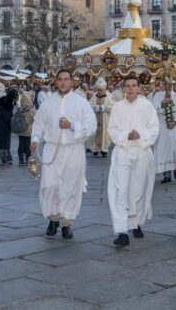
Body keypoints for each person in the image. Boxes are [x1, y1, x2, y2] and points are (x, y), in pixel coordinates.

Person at [30, 69, 96, 240]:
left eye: (66, 79)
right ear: (56, 81)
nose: (63, 83)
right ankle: (52, 219)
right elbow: (39, 124)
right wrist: (35, 139)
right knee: (50, 186)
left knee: (71, 187)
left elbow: (91, 126)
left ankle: (67, 222)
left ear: (72, 82)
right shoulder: (47, 103)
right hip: (52, 150)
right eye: (60, 79)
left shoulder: (81, 103)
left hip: (73, 150)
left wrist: (72, 125)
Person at [107, 74, 160, 246]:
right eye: (127, 85)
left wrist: (141, 135)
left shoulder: (147, 106)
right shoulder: (117, 107)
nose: (130, 88)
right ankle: (122, 230)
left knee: (138, 191)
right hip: (123, 153)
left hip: (142, 153)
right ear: (123, 88)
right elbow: (112, 129)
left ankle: (136, 222)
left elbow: (154, 128)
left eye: (133, 85)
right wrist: (125, 136)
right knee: (121, 190)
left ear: (138, 87)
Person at [151, 78, 176, 184]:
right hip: (162, 127)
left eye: (170, 84)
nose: (167, 86)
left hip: (174, 128)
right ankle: (166, 175)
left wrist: (175, 121)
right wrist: (162, 104)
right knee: (163, 150)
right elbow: (152, 110)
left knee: (174, 149)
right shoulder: (157, 96)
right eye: (165, 83)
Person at [88, 78, 114, 157]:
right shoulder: (93, 97)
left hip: (105, 120)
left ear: (104, 89)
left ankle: (104, 150)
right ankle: (95, 149)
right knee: (95, 133)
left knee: (105, 135)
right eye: (98, 90)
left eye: (101, 90)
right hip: (95, 120)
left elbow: (113, 107)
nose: (99, 92)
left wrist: (104, 107)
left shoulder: (109, 97)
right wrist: (94, 108)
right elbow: (89, 106)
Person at [15, 91, 36, 166]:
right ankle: (27, 160)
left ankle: (20, 160)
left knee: (20, 145)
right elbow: (36, 119)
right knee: (28, 146)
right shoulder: (31, 109)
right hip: (28, 131)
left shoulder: (19, 109)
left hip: (20, 130)